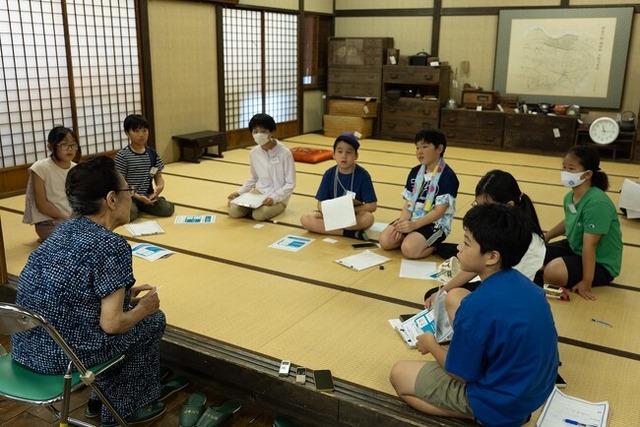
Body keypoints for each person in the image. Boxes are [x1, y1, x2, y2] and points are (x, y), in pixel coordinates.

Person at [12, 156, 167, 426]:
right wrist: (144, 308)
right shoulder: (111, 245)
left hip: (26, 349)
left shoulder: (63, 230)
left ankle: (99, 398)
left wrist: (124, 296)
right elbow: (112, 324)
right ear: (111, 199)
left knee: (128, 311)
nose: (131, 196)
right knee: (152, 320)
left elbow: (70, 291)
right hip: (64, 360)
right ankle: (122, 408)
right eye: (128, 190)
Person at [389, 203, 559, 427]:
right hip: (534, 393)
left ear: (492, 257)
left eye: (467, 242)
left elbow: (461, 375)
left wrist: (431, 345)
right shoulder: (530, 288)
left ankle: (479, 415)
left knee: (399, 374)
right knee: (455, 296)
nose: (459, 247)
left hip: (502, 403)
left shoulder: (478, 305)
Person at [424, 169, 545, 307]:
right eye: (477, 205)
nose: (480, 212)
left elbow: (503, 292)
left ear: (509, 206)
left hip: (508, 294)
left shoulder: (521, 238)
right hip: (494, 279)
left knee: (450, 300)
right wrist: (444, 290)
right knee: (439, 295)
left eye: (487, 207)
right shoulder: (496, 227)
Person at [540, 146, 623, 300]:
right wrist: (547, 236)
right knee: (533, 253)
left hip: (600, 262)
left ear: (588, 174)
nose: (565, 172)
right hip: (575, 247)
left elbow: (590, 246)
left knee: (552, 272)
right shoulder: (570, 197)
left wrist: (586, 282)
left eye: (571, 168)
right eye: (564, 167)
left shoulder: (597, 203)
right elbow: (570, 219)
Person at [379, 128, 459, 259]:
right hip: (413, 219)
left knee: (410, 250)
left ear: (439, 149)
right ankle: (412, 238)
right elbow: (409, 203)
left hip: (435, 224)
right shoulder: (415, 172)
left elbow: (439, 212)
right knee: (385, 241)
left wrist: (415, 225)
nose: (419, 152)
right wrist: (402, 223)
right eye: (417, 148)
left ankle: (434, 245)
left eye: (424, 147)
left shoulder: (448, 176)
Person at [300, 132, 377, 240]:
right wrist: (331, 211)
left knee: (368, 218)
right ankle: (347, 233)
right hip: (332, 213)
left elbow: (372, 206)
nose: (344, 156)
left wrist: (349, 210)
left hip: (352, 214)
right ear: (334, 155)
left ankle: (332, 229)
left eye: (349, 152)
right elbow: (320, 203)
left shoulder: (363, 175)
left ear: (356, 156)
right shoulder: (329, 174)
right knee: (306, 219)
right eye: (340, 151)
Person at [227, 113, 296, 221]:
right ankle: (252, 206)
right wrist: (239, 192)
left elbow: (290, 183)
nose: (259, 135)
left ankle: (259, 208)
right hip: (259, 192)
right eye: (255, 131)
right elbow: (254, 178)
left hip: (279, 196)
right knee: (234, 210)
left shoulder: (284, 153)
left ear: (272, 132)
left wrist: (275, 198)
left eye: (263, 131)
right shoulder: (254, 153)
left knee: (258, 215)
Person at [22, 126, 79, 242]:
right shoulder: (40, 167)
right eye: (64, 145)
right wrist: (65, 218)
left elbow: (79, 199)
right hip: (49, 222)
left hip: (72, 219)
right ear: (50, 147)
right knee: (72, 239)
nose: (70, 149)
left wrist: (73, 217)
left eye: (73, 145)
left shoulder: (76, 169)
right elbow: (41, 204)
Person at [115, 113, 175, 222]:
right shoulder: (123, 155)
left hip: (147, 195)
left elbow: (158, 176)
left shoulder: (153, 154)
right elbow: (121, 183)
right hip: (129, 196)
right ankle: (135, 207)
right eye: (136, 131)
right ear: (127, 133)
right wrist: (137, 197)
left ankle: (144, 206)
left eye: (144, 130)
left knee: (167, 209)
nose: (141, 135)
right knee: (130, 214)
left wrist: (159, 187)